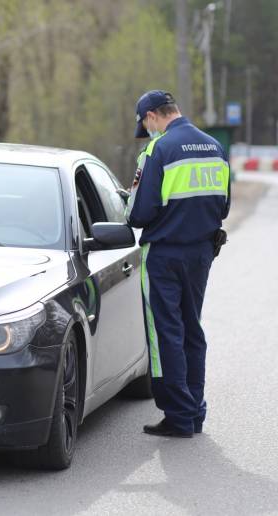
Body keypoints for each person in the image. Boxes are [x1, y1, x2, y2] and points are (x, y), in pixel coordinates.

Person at [125, 90, 231, 438]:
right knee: (191, 328)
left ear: (153, 115)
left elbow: (139, 213)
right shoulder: (214, 147)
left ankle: (178, 415)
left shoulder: (159, 150)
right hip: (201, 254)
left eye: (146, 124)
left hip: (164, 255)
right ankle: (195, 411)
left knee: (165, 332)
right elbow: (224, 207)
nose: (147, 131)